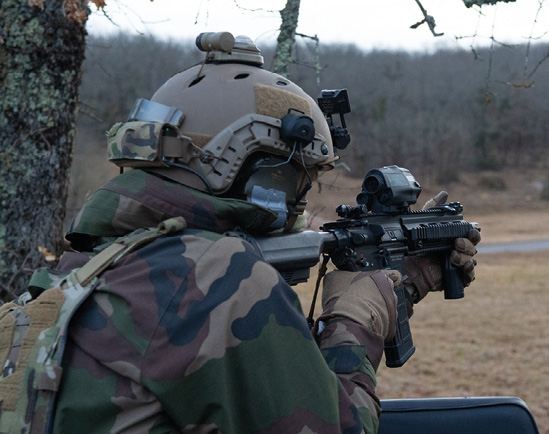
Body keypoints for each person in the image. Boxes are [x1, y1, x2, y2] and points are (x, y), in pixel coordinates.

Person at [2, 32, 480, 433]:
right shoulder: (217, 280)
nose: (296, 205)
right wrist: (356, 319)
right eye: (294, 182)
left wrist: (407, 280)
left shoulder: (75, 279)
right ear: (246, 168)